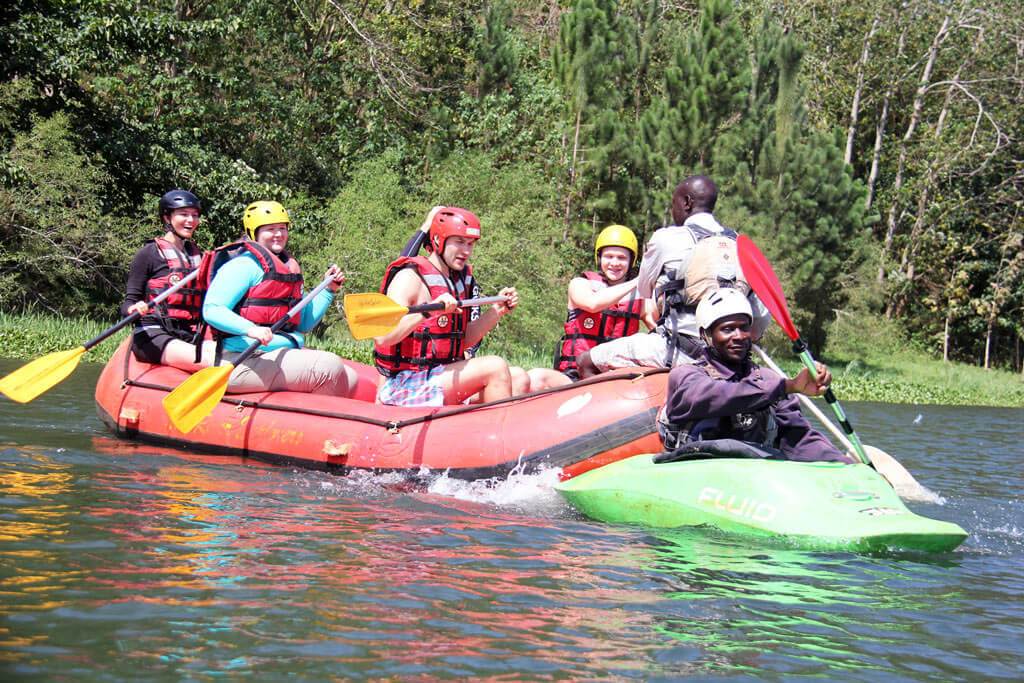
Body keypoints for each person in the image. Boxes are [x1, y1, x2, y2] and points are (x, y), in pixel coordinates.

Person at [576, 175, 771, 377]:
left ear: (686, 202)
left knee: (585, 361)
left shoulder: (666, 238)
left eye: (673, 204)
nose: (672, 210)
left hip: (676, 350)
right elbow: (758, 323)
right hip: (730, 356)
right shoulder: (742, 246)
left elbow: (645, 290)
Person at [374, 206, 566, 406]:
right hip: (404, 385)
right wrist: (427, 311)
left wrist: (496, 311)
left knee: (518, 378)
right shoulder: (409, 277)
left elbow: (461, 342)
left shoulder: (457, 281)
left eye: (470, 243)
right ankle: (497, 435)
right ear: (438, 241)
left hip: (438, 378)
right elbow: (383, 337)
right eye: (459, 242)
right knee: (495, 366)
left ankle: (477, 431)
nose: (466, 251)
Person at [657, 288, 854, 463]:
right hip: (698, 474)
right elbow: (720, 395)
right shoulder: (685, 376)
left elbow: (798, 438)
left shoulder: (769, 379)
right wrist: (787, 386)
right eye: (727, 329)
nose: (739, 336)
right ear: (705, 335)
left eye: (744, 327)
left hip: (753, 482)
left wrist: (842, 464)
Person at [202, 200, 358, 396]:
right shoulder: (242, 265)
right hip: (239, 358)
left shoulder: (288, 268)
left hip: (276, 352)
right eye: (270, 229)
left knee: (351, 377)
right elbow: (212, 309)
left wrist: (329, 290)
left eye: (282, 228)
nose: (278, 234)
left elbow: (304, 324)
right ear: (254, 232)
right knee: (329, 367)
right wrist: (251, 329)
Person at [121, 189, 216, 371]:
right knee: (210, 361)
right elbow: (128, 303)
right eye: (183, 214)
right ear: (167, 218)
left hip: (189, 333)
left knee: (224, 356)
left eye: (195, 215)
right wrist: (133, 308)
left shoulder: (199, 257)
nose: (191, 220)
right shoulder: (148, 253)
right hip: (153, 333)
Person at [553, 224, 657, 380]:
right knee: (538, 378)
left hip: (617, 376)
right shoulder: (580, 284)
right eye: (609, 256)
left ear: (631, 261)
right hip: (574, 375)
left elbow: (659, 332)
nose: (615, 263)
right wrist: (638, 281)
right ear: (599, 258)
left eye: (622, 258)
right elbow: (592, 304)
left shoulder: (641, 300)